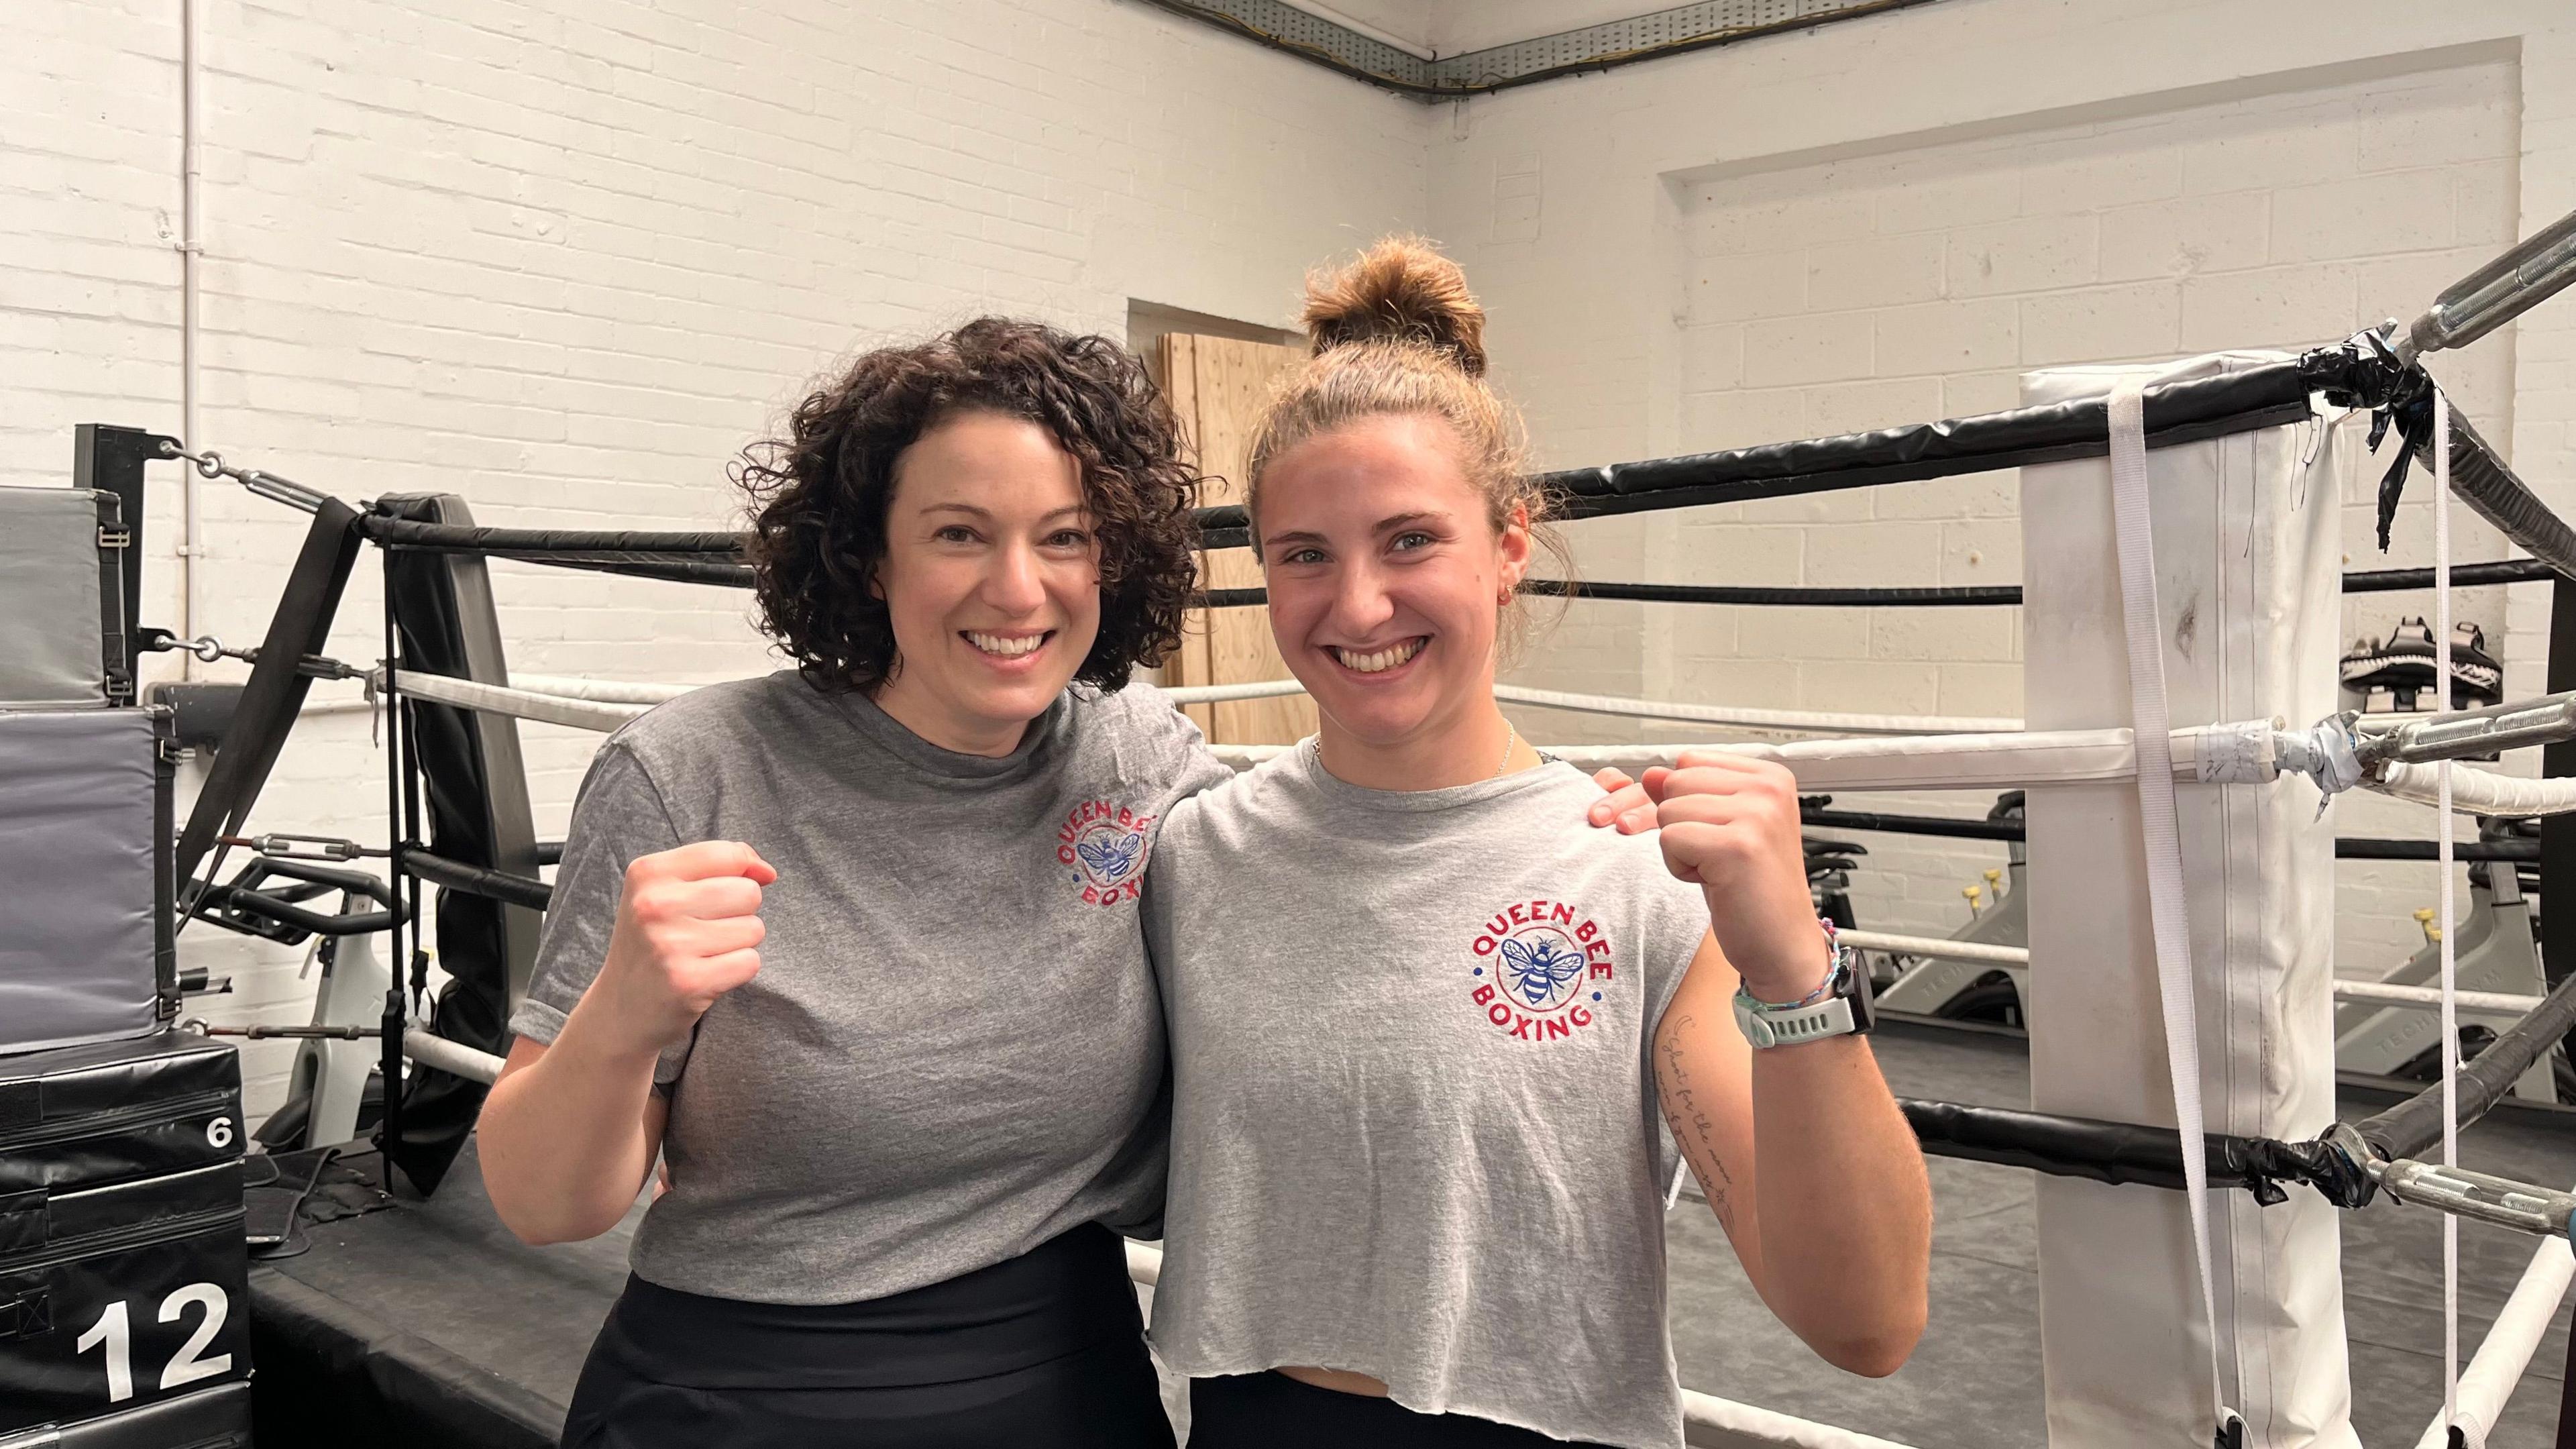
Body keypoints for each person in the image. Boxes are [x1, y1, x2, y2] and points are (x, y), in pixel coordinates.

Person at [1144, 239, 1934, 1449]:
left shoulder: (1633, 872)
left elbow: (1866, 1323)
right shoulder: (1198, 856)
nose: (1357, 606)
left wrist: (1793, 972)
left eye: (1411, 541)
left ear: (1511, 547)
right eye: (1307, 554)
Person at [476, 318, 1224, 1448]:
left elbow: (1340, 855)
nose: (1018, 589)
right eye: (960, 534)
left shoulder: (1140, 758)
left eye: (1064, 537)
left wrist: (1577, 822)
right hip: (748, 1390)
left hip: (1069, 1378)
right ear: (871, 557)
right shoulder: (691, 772)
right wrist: (622, 1018)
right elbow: (543, 1205)